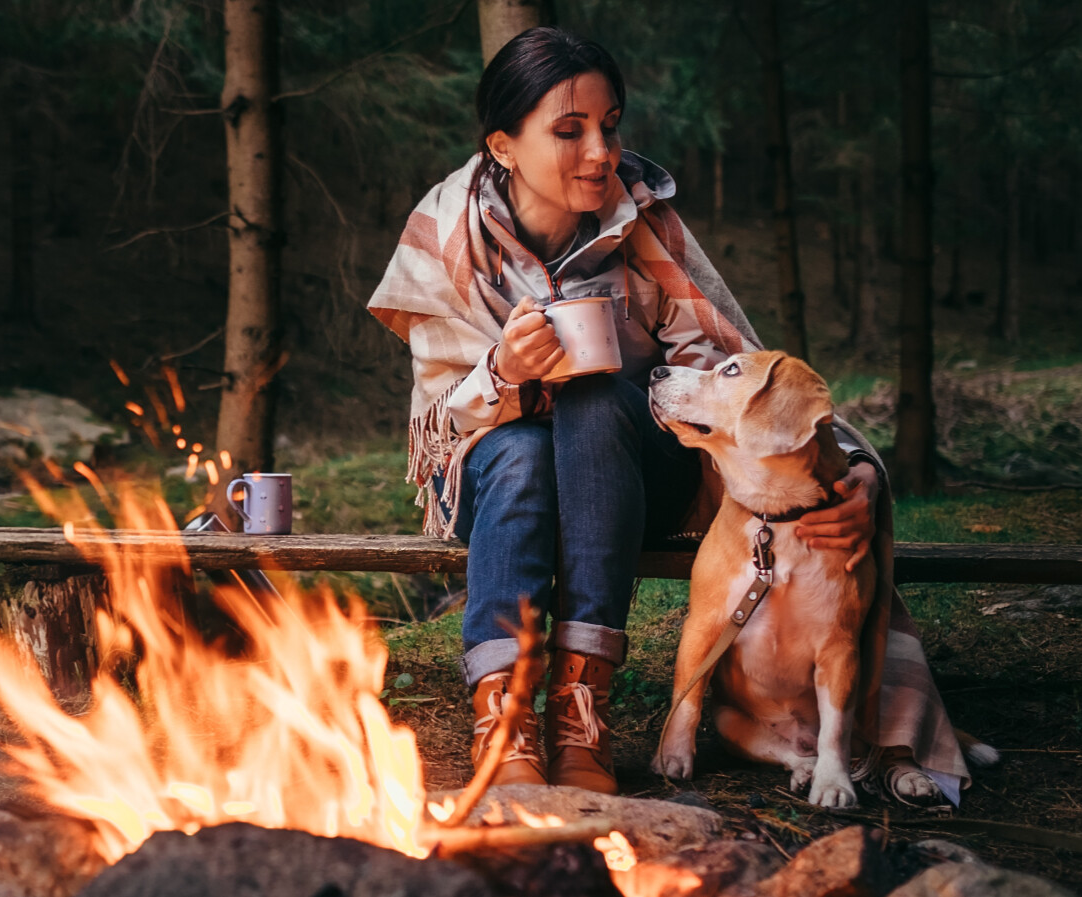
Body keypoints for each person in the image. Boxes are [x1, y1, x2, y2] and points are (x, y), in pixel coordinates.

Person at [367, 26, 973, 802]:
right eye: (568, 130)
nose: (601, 152)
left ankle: (583, 708)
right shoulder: (445, 233)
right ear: (504, 146)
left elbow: (747, 377)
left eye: (609, 125)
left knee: (595, 397)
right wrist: (502, 371)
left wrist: (849, 470)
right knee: (520, 453)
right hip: (492, 485)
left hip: (625, 484)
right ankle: (506, 716)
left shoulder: (644, 226)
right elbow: (441, 427)